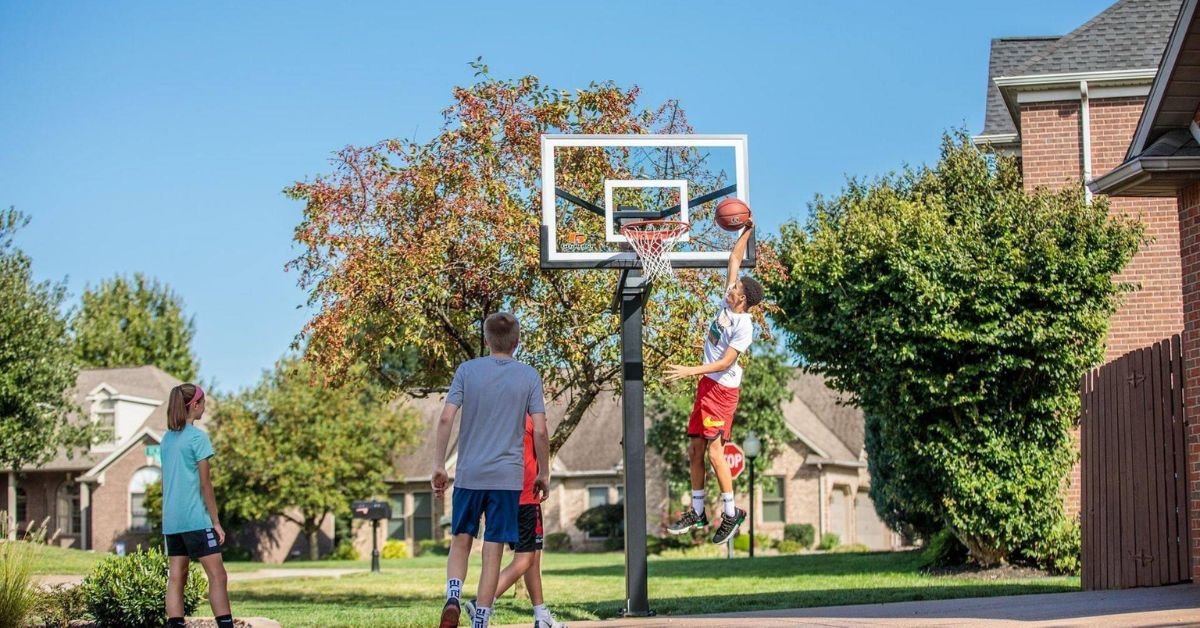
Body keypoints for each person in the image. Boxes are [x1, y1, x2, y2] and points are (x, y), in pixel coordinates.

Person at [433, 312, 549, 628]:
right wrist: (544, 473)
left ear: (486, 340)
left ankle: (453, 595)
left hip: (469, 474)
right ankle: (481, 620)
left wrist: (439, 464)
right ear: (517, 341)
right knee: (493, 550)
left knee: (461, 539)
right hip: (507, 479)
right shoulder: (529, 376)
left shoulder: (467, 371)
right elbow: (540, 431)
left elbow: (446, 418)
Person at [664, 221, 763, 544]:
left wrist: (689, 370)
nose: (730, 288)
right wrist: (746, 232)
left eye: (735, 289)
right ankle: (697, 510)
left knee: (715, 453)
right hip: (707, 386)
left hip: (721, 391)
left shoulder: (744, 325)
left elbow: (725, 363)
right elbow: (733, 259)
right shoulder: (727, 302)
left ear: (742, 299)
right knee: (694, 449)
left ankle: (732, 513)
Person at [464, 415, 565, 628]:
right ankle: (482, 603)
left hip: (501, 496)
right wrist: (544, 474)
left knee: (532, 557)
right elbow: (541, 434)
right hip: (525, 497)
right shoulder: (530, 416)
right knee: (526, 559)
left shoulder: (497, 417)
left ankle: (541, 615)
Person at [160, 383, 235, 628]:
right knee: (217, 575)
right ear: (194, 405)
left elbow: (168, 481)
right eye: (203, 402)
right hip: (195, 520)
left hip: (172, 521)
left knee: (176, 577)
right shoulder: (197, 438)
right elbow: (205, 485)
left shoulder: (166, 440)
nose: (205, 407)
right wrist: (216, 522)